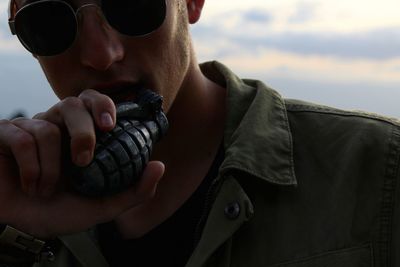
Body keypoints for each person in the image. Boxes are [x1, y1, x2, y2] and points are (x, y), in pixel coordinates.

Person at [0, 0, 399, 266]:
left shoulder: (379, 169)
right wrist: (13, 234)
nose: (101, 55)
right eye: (49, 22)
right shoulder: (21, 199)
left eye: (132, 5)